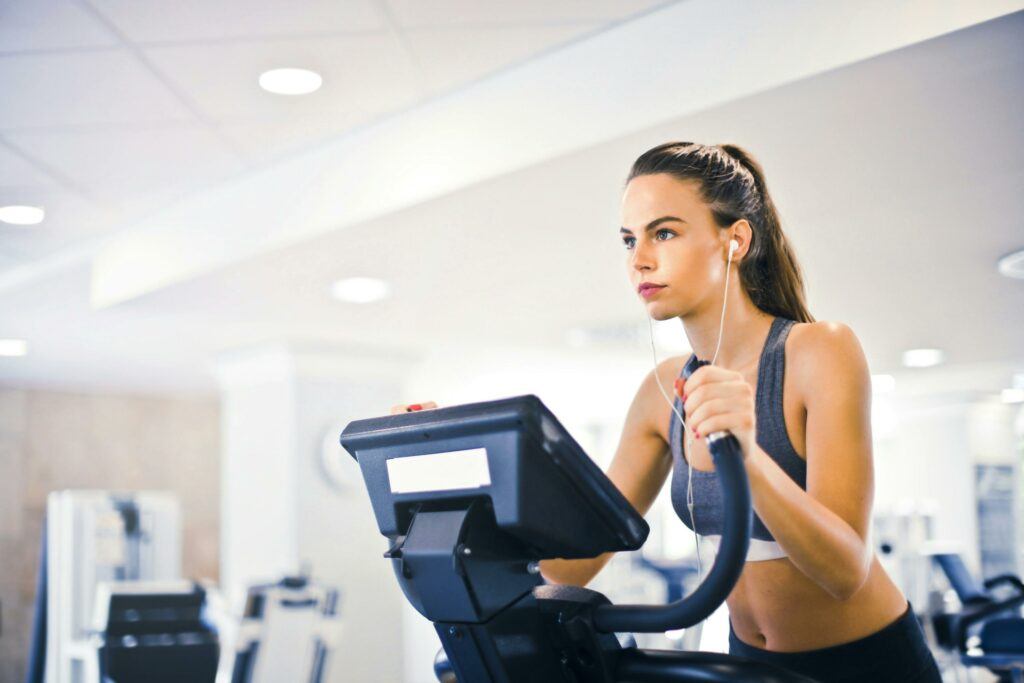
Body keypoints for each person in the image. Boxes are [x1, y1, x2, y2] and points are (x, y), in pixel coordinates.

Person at [392, 142, 942, 683]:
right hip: (749, 663)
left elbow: (846, 571)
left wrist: (746, 455)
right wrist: (443, 488)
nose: (640, 259)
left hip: (869, 661)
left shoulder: (818, 351)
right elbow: (578, 560)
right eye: (630, 239)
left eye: (665, 232)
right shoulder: (662, 392)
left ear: (735, 240)